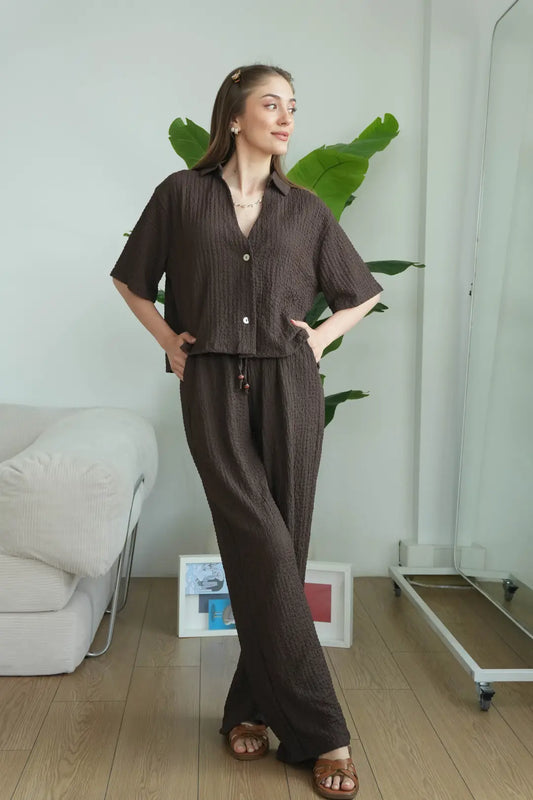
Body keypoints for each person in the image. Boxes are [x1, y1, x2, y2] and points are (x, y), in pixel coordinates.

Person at [110, 63, 383, 799]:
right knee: (258, 539)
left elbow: (360, 291)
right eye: (272, 104)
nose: (287, 117)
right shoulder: (181, 195)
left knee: (284, 547)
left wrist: (318, 339)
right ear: (234, 116)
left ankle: (249, 709)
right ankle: (324, 733)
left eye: (293, 105)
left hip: (291, 384)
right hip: (212, 384)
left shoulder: (307, 209)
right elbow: (131, 278)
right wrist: (169, 342)